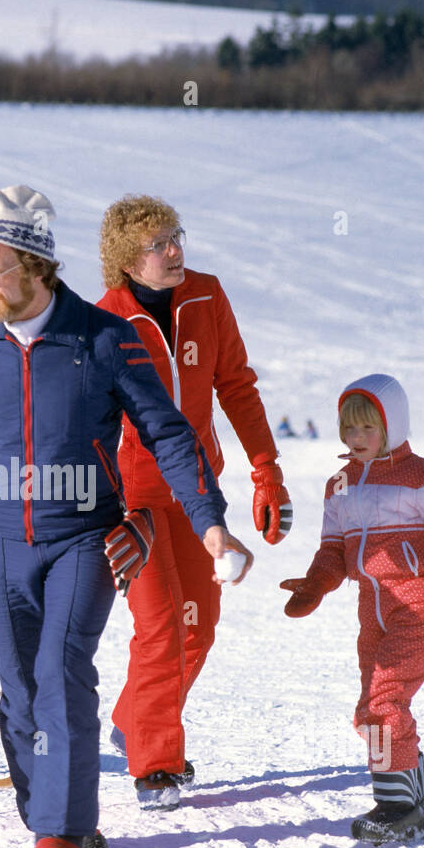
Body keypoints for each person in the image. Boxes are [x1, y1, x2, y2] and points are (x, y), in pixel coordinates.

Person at [0, 185, 251, 848]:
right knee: (17, 689)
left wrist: (212, 526)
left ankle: (61, 835)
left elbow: (168, 432)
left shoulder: (104, 338)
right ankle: (50, 809)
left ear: (39, 269)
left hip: (85, 536)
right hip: (0, 538)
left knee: (62, 671)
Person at [95, 195, 289, 811]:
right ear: (128, 260)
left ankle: (134, 721)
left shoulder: (207, 295)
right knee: (158, 629)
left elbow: (235, 383)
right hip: (137, 502)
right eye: (159, 245)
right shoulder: (105, 321)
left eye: (177, 236)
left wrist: (266, 469)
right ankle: (156, 766)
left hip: (200, 494)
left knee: (196, 630)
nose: (175, 251)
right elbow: (86, 427)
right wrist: (104, 510)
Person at [279, 373, 424, 845]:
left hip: (415, 601)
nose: (355, 439)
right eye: (348, 429)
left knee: (384, 702)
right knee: (369, 710)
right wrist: (316, 585)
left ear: (392, 426)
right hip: (370, 606)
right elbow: (333, 549)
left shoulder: (422, 475)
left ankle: (398, 809)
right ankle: (409, 803)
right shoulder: (339, 484)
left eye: (366, 429)